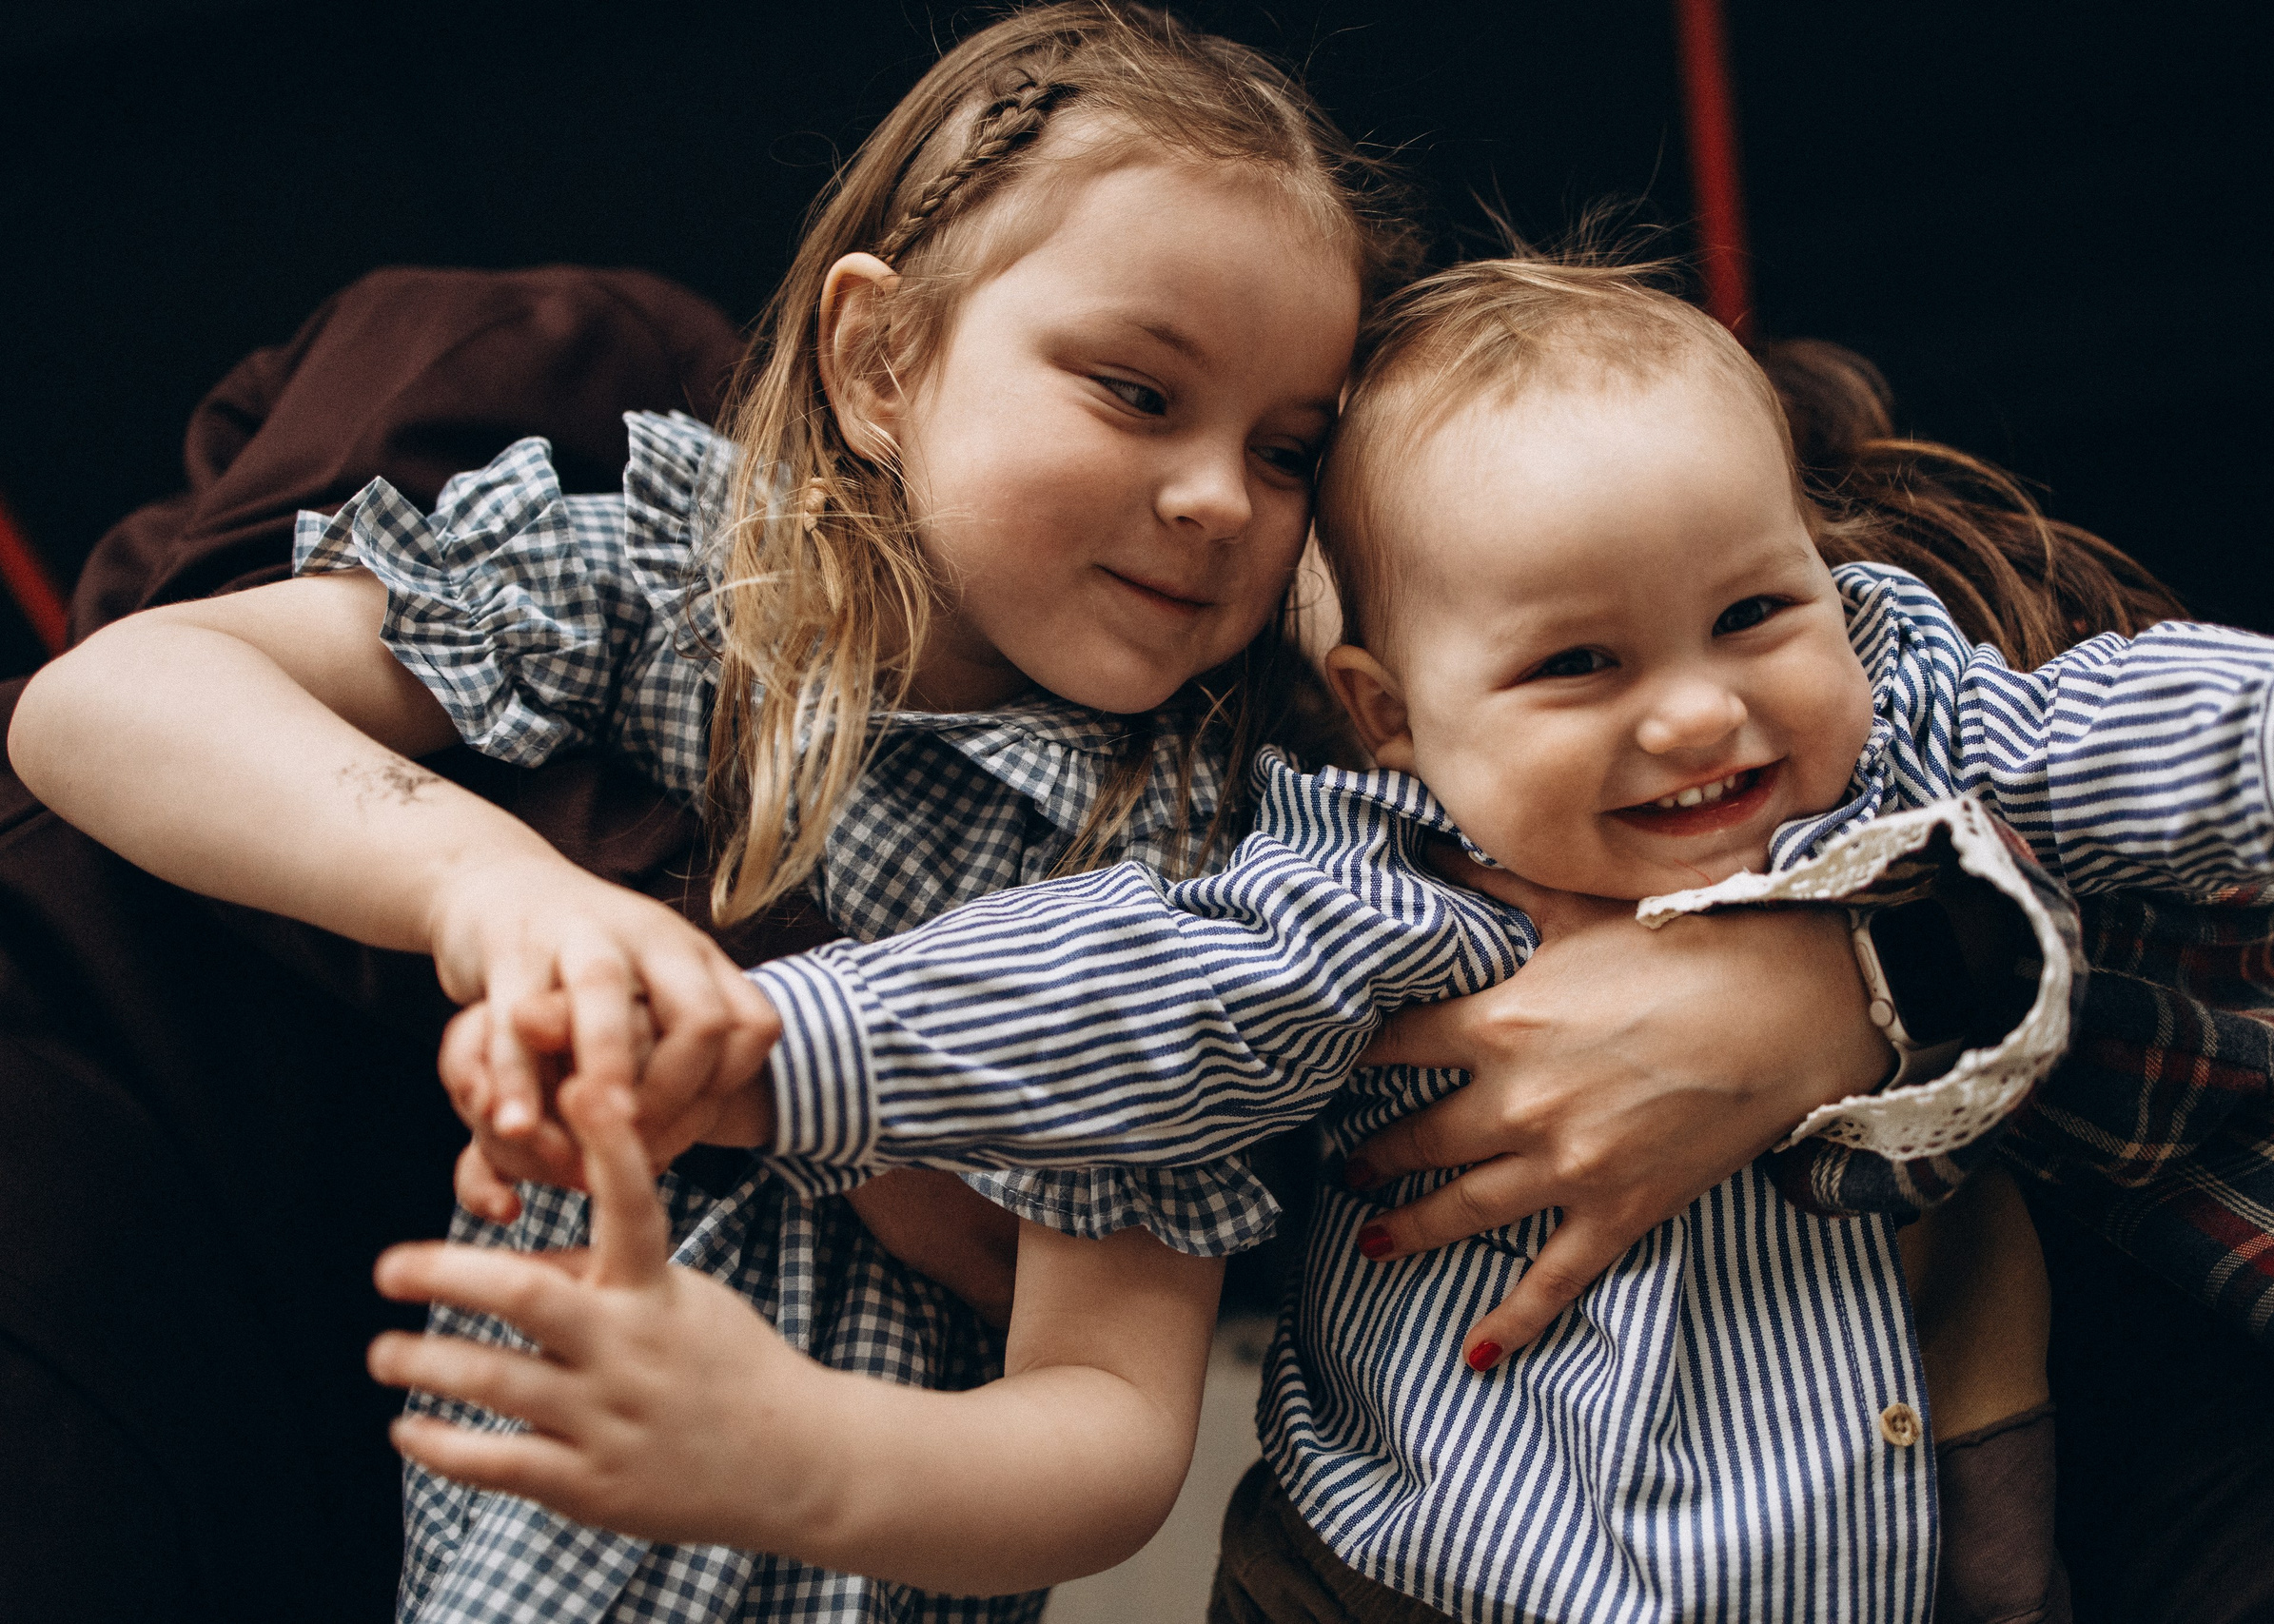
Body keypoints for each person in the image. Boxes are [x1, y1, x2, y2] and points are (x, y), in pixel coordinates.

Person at [3, 9, 2018, 1621]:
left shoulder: (1190, 866)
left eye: (1285, 446)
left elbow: (1107, 1423)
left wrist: (782, 1444)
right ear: (881, 356)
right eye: (1135, 392)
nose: (1220, 493)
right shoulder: (691, 593)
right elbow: (111, 700)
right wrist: (483, 881)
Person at [383, 255, 2274, 1624]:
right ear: (1391, 715)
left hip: (1845, 1561)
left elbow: (2111, 729)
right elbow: (1121, 987)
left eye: (1750, 612)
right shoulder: (1369, 880)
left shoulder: (1897, 714)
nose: (1701, 710)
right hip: (1403, 1582)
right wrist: (752, 1042)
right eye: (1574, 664)